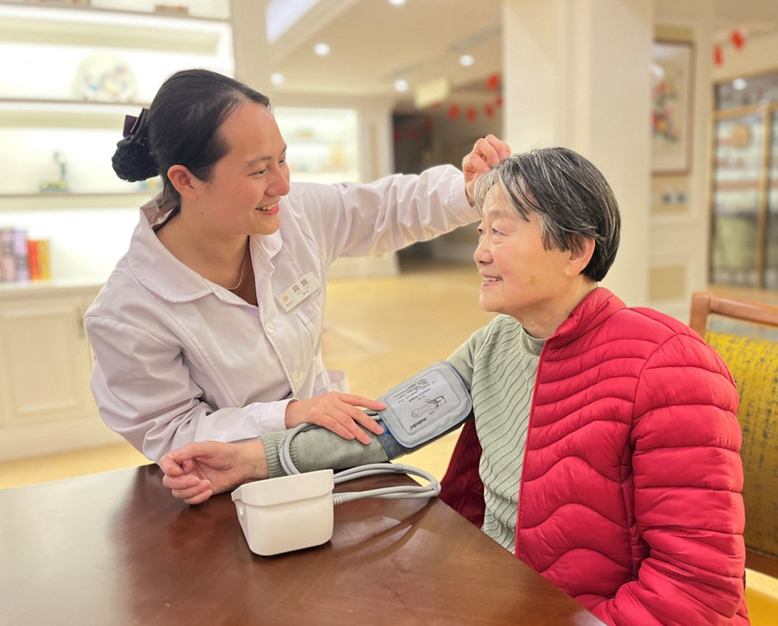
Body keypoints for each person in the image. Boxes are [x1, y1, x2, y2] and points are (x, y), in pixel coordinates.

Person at [160, 147, 749, 625]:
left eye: (500, 231)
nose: (480, 251)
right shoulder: (494, 345)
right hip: (498, 593)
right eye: (481, 230)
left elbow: (696, 594)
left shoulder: (670, 367)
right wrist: (248, 460)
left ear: (575, 250)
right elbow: (383, 426)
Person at [84, 68, 510, 463]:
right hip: (224, 491)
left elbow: (385, 210)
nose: (283, 185)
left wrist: (468, 190)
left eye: (282, 160)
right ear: (185, 180)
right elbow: (171, 433)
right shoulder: (127, 312)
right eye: (258, 171)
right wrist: (289, 414)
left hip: (321, 452)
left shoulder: (293, 212)